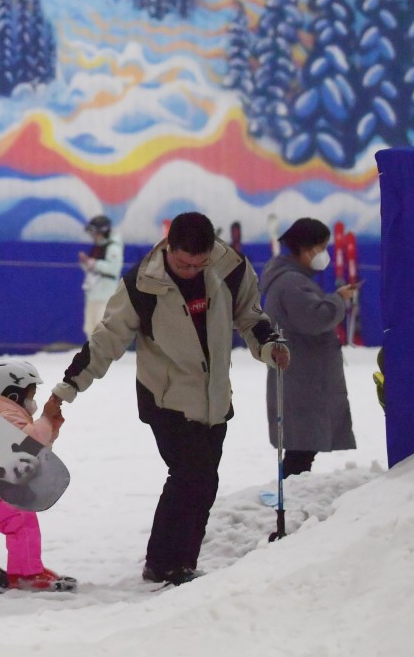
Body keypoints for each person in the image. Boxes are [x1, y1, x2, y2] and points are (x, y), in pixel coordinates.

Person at [43, 211, 290, 586]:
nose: (191, 269)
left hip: (215, 398)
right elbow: (106, 340)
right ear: (167, 247)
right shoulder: (144, 283)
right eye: (183, 262)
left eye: (199, 263)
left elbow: (250, 315)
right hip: (166, 398)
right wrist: (68, 388)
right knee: (190, 475)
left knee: (204, 482)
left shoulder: (230, 268)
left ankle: (183, 563)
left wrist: (270, 346)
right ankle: (162, 562)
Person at [0, 360, 74, 593]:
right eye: (31, 393)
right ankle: (25, 575)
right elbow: (28, 443)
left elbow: (37, 454)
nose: (33, 400)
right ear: (13, 393)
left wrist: (51, 425)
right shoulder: (1, 412)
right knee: (22, 522)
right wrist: (45, 419)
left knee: (24, 521)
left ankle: (29, 569)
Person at [259, 218, 359, 477]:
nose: (323, 254)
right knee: (301, 450)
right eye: (322, 247)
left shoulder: (287, 278)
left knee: (301, 449)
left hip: (299, 374)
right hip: (304, 377)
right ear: (307, 249)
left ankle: (292, 493)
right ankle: (291, 499)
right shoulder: (292, 281)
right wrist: (338, 299)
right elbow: (316, 318)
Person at [79, 215, 123, 337]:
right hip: (93, 293)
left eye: (95, 233)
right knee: (90, 327)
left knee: (101, 328)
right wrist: (86, 263)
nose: (93, 236)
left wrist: (95, 263)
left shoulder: (113, 247)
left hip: (105, 295)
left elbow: (114, 268)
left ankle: (103, 355)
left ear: (102, 231)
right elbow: (93, 268)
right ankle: (92, 354)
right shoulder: (98, 247)